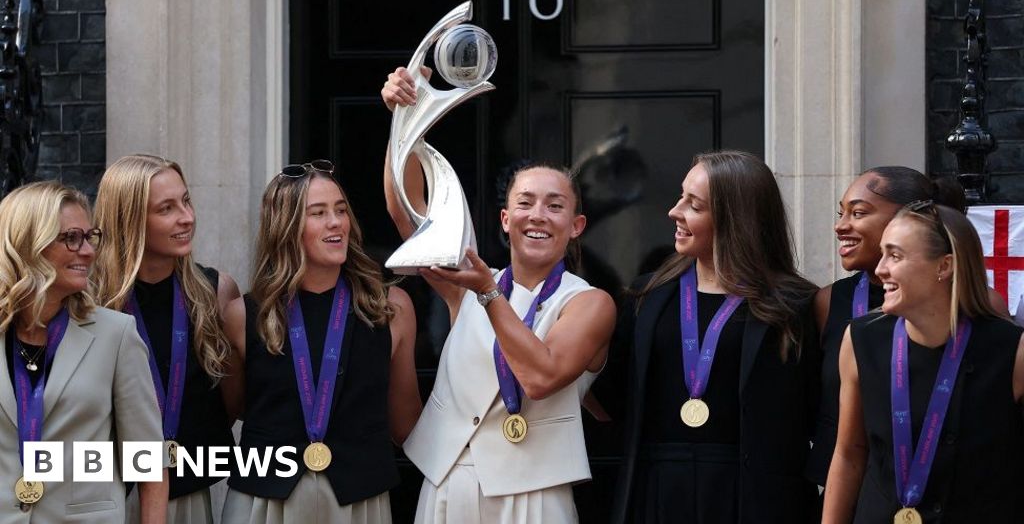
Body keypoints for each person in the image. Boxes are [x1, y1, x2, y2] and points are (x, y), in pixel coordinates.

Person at [382, 67, 616, 523]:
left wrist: (489, 293)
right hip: (450, 481)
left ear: (576, 227)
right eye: (526, 203)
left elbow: (541, 377)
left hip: (536, 492)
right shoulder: (469, 282)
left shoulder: (588, 302)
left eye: (555, 206)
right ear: (506, 220)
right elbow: (406, 212)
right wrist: (404, 120)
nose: (539, 216)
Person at [605, 151, 820, 524]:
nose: (675, 212)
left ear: (735, 219)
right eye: (680, 197)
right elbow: (611, 398)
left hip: (753, 496)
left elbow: (815, 412)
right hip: (657, 492)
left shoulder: (796, 305)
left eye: (694, 205)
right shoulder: (647, 296)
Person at [220, 159, 419, 524]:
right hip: (264, 504)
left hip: (360, 503)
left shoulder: (392, 309)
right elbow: (228, 413)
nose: (335, 222)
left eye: (341, 210)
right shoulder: (241, 316)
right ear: (286, 227)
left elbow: (406, 425)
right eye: (319, 213)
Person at [807, 167, 1009, 490]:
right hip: (859, 491)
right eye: (841, 212)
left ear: (909, 218)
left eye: (858, 213)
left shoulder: (981, 309)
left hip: (941, 493)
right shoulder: (828, 303)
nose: (841, 225)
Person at [0, 181, 168, 523]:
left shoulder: (116, 334)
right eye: (71, 238)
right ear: (28, 243)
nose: (89, 251)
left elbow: (148, 461)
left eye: (90, 237)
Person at [92, 154, 241, 522]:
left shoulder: (215, 292)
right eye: (166, 208)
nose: (187, 217)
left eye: (186, 201)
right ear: (129, 220)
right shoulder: (88, 303)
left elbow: (233, 405)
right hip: (105, 496)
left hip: (188, 496)